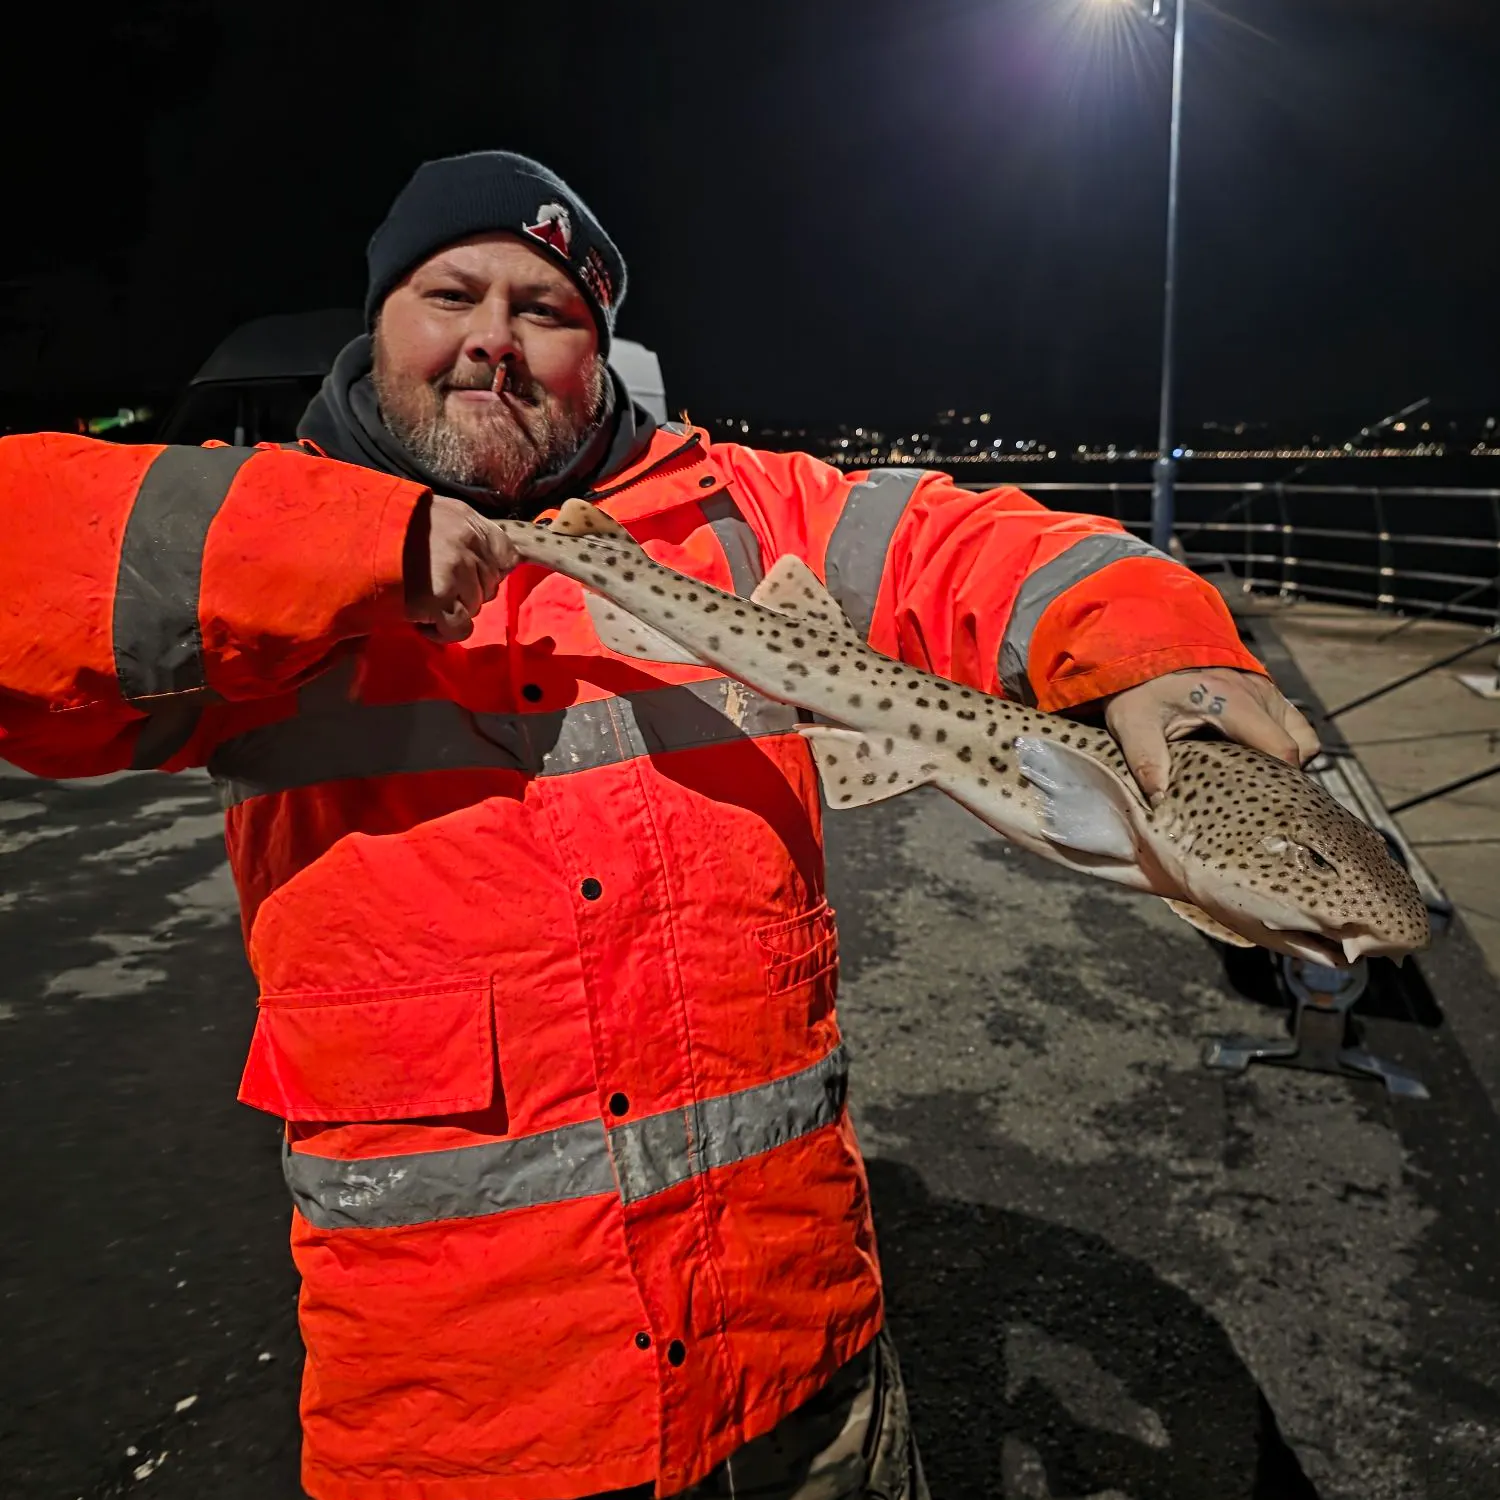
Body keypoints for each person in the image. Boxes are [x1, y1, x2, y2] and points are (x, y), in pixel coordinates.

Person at [0, 150, 1318, 1500]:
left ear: (600, 352)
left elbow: (979, 546)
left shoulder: (747, 514)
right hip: (466, 1431)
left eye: (546, 310)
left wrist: (1160, 652)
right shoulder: (255, 538)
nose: (495, 340)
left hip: (799, 1373)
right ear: (376, 319)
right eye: (451, 294)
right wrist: (354, 546)